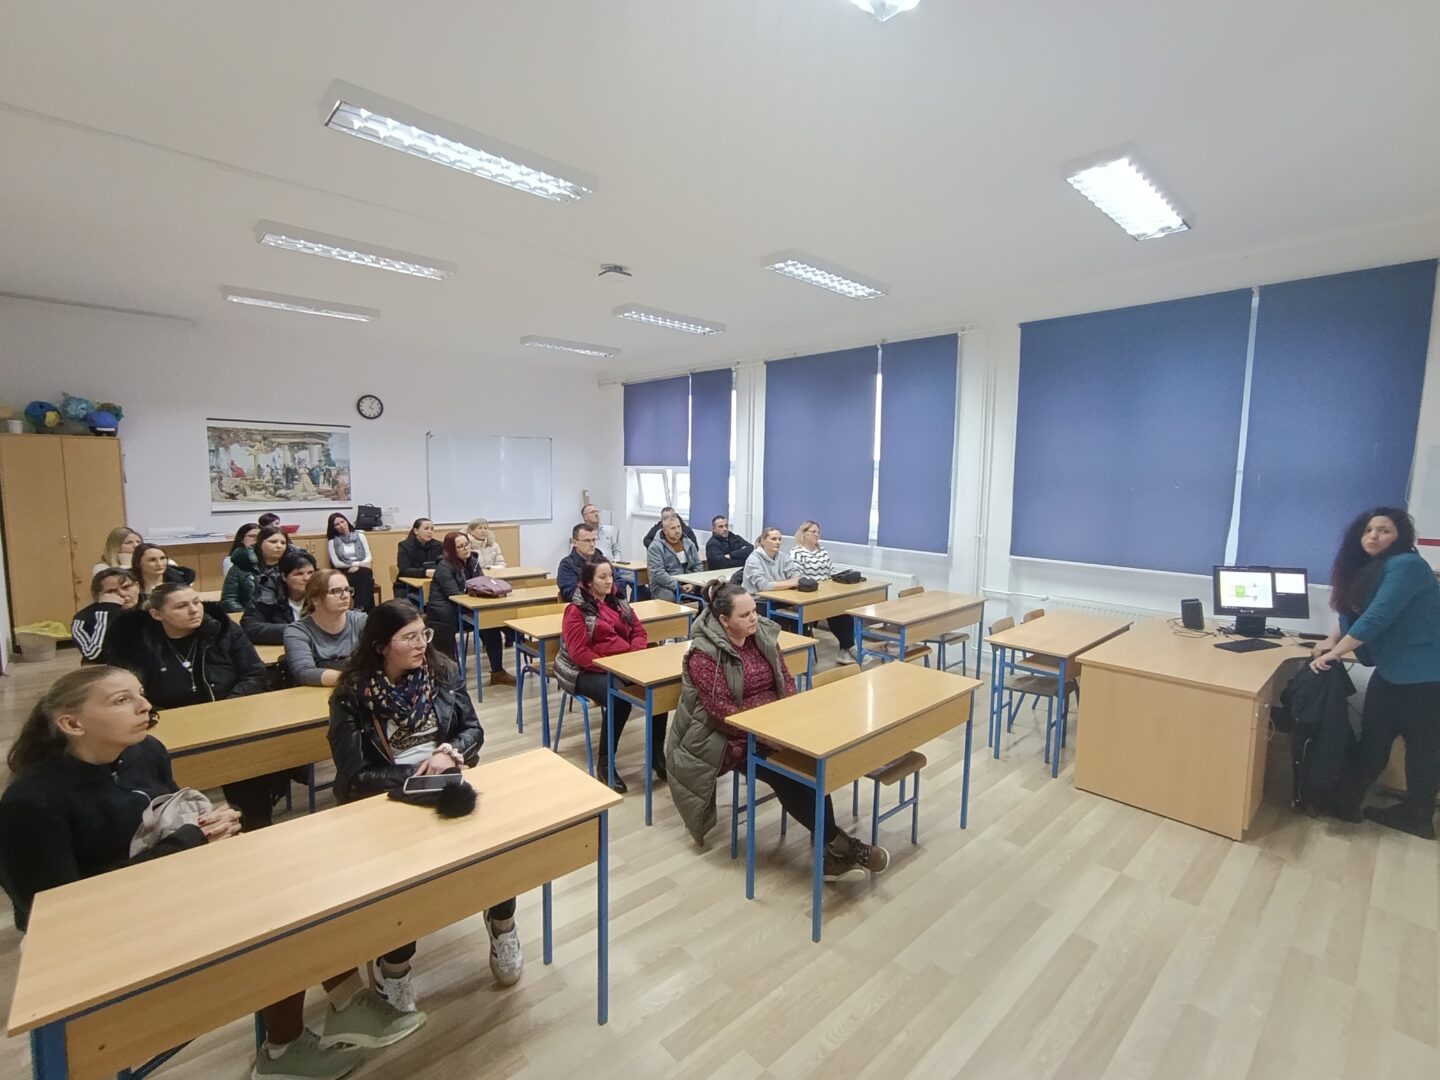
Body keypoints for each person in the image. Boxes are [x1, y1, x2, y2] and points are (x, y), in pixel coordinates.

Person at [0, 667, 423, 1079]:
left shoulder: (145, 751)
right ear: (72, 723)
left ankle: (333, 1012)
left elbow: (166, 817)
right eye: (121, 700)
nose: (145, 706)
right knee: (270, 917)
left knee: (294, 891)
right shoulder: (31, 801)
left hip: (169, 888)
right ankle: (294, 1040)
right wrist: (187, 841)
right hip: (97, 936)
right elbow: (57, 914)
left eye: (140, 693)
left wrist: (209, 826)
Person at [329, 600, 523, 1009]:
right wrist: (417, 774)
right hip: (387, 798)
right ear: (381, 646)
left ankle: (503, 924)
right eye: (409, 637)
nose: (422, 644)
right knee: (404, 887)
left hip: (448, 782)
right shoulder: (351, 695)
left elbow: (473, 730)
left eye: (424, 634)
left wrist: (449, 752)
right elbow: (353, 778)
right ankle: (394, 964)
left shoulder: (442, 672)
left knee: (499, 852)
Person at [666, 581, 889, 880]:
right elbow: (722, 713)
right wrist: (766, 734)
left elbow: (785, 680)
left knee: (813, 762)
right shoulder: (704, 655)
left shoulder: (762, 638)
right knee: (787, 773)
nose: (754, 618)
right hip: (727, 738)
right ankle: (839, 845)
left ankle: (832, 851)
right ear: (723, 620)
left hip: (776, 726)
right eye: (745, 615)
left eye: (754, 611)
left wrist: (789, 722)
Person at [102, 583, 287, 832]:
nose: (194, 610)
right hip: (168, 725)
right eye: (181, 606)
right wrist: (163, 715)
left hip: (230, 717)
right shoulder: (135, 642)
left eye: (196, 602)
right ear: (157, 614)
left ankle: (255, 822)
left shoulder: (222, 629)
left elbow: (254, 672)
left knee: (249, 766)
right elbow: (128, 692)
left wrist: (228, 706)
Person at [1312, 506, 1440, 839]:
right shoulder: (1370, 569)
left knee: (1422, 748)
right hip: (1392, 671)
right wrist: (1331, 640)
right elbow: (1353, 613)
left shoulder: (1408, 565)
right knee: (1373, 740)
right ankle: (1344, 801)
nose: (1373, 536)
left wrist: (1336, 653)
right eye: (1368, 530)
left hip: (1425, 676)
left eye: (1384, 530)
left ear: (1401, 536)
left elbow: (1377, 616)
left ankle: (1418, 816)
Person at [553, 560, 666, 793]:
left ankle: (657, 756)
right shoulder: (576, 610)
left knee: (659, 688)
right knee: (619, 699)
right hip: (585, 670)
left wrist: (633, 655)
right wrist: (613, 667)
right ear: (588, 582)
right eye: (602, 577)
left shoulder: (619, 600)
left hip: (624, 663)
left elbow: (639, 631)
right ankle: (605, 763)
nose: (609, 581)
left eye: (610, 576)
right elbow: (579, 653)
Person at [423, 531, 515, 685]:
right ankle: (449, 678)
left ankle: (498, 672)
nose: (465, 549)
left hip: (466, 609)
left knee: (491, 625)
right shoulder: (444, 566)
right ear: (451, 550)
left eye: (466, 545)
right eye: (460, 546)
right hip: (445, 614)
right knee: (488, 622)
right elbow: (454, 594)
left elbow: (482, 583)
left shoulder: (473, 562)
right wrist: (476, 596)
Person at [284, 569, 368, 688]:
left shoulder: (361, 621)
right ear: (315, 599)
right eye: (336, 591)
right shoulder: (297, 631)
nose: (345, 596)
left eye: (347, 590)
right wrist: (353, 679)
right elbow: (304, 672)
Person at [789, 520, 858, 663]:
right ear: (804, 534)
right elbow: (798, 577)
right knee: (830, 611)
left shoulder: (822, 551)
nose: (817, 535)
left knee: (843, 613)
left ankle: (845, 649)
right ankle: (849, 648)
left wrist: (838, 580)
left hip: (826, 593)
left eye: (818, 532)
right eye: (813, 532)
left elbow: (831, 571)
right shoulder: (796, 552)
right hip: (808, 594)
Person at [243, 548, 318, 646]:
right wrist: (297, 630)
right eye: (299, 574)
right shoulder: (266, 592)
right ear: (284, 576)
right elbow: (250, 628)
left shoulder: (323, 591)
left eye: (311, 573)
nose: (307, 578)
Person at [71, 568, 140, 662]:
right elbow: (93, 656)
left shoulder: (151, 608)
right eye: (111, 591)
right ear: (97, 597)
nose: (122, 594)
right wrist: (107, 612)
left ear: (137, 587)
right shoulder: (82, 619)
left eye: (126, 587)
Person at [647, 514, 703, 600]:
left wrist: (693, 584)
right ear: (665, 531)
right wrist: (678, 586)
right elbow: (658, 573)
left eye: (679, 527)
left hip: (688, 581)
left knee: (709, 592)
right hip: (663, 585)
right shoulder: (655, 547)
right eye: (673, 528)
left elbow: (698, 565)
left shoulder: (688, 543)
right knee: (670, 598)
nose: (677, 531)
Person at [327, 513, 375, 613]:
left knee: (364, 574)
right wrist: (354, 565)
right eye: (337, 524)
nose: (341, 525)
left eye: (342, 522)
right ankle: (366, 610)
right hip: (344, 572)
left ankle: (360, 608)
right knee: (366, 578)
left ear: (347, 522)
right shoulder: (333, 542)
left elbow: (368, 557)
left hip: (361, 568)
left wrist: (356, 566)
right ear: (333, 528)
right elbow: (337, 563)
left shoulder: (360, 536)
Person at [129, 542, 197, 605]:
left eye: (162, 558)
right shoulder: (128, 585)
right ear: (138, 563)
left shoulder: (181, 583)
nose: (159, 564)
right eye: (152, 560)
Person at [556, 523, 609, 601]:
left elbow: (619, 581)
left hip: (609, 603)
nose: (592, 544)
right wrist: (599, 594)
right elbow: (572, 593)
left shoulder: (602, 560)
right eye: (587, 541)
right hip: (585, 606)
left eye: (594, 540)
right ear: (574, 542)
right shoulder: (566, 565)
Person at [221, 522, 264, 612]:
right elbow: (229, 598)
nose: (256, 540)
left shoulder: (270, 562)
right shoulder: (236, 564)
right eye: (252, 536)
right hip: (248, 612)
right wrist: (244, 613)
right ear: (241, 539)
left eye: (259, 536)